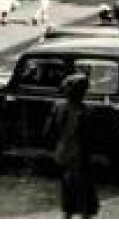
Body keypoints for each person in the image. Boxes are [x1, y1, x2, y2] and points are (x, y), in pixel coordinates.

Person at [46, 73, 99, 218]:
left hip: (65, 150)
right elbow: (92, 135)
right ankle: (82, 211)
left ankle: (71, 211)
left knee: (69, 183)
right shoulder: (88, 111)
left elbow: (48, 131)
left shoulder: (58, 107)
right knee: (80, 184)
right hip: (77, 152)